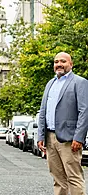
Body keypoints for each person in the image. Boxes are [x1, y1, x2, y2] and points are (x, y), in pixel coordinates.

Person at [38, 52, 88, 195]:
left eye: (63, 61)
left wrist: (78, 137)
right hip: (50, 137)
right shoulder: (50, 83)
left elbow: (84, 112)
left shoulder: (80, 82)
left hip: (69, 139)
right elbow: (43, 111)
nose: (59, 64)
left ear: (71, 64)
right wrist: (41, 136)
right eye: (56, 62)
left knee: (74, 177)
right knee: (58, 179)